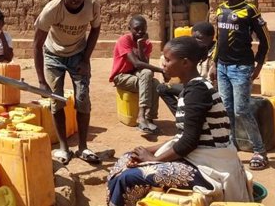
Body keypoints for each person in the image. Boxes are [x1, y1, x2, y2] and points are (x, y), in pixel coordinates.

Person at [107, 37, 251, 206]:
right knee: (126, 159)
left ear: (185, 63)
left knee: (129, 177)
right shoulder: (191, 88)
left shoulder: (198, 91)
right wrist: (147, 150)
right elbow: (182, 137)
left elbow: (188, 142)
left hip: (210, 169)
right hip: (198, 159)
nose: (163, 64)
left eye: (168, 60)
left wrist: (153, 160)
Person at [34, 0, 101, 165]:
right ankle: (64, 148)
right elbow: (37, 44)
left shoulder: (92, 5)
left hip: (78, 54)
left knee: (82, 100)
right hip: (53, 55)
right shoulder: (51, 10)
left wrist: (85, 59)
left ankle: (82, 147)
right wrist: (41, 81)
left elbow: (96, 28)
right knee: (57, 101)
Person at [209, 0, 271, 171]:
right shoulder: (220, 10)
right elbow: (218, 41)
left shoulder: (249, 10)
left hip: (241, 68)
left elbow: (265, 41)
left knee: (242, 110)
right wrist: (213, 63)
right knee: (226, 109)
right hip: (223, 67)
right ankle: (231, 147)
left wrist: (258, 65)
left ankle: (259, 151)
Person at [109, 15, 164, 134]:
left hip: (136, 75)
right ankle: (141, 115)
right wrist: (161, 70)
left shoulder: (147, 44)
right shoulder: (124, 40)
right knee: (148, 75)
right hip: (121, 77)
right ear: (130, 28)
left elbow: (144, 65)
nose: (140, 32)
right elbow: (136, 64)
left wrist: (140, 45)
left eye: (143, 29)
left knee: (155, 83)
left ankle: (149, 118)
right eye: (136, 29)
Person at [157, 22, 215, 115]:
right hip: (192, 86)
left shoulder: (216, 54)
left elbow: (210, 82)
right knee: (162, 88)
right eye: (193, 37)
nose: (195, 41)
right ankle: (182, 116)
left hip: (204, 90)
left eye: (199, 38)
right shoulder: (191, 50)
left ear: (211, 38)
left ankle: (186, 118)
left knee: (189, 94)